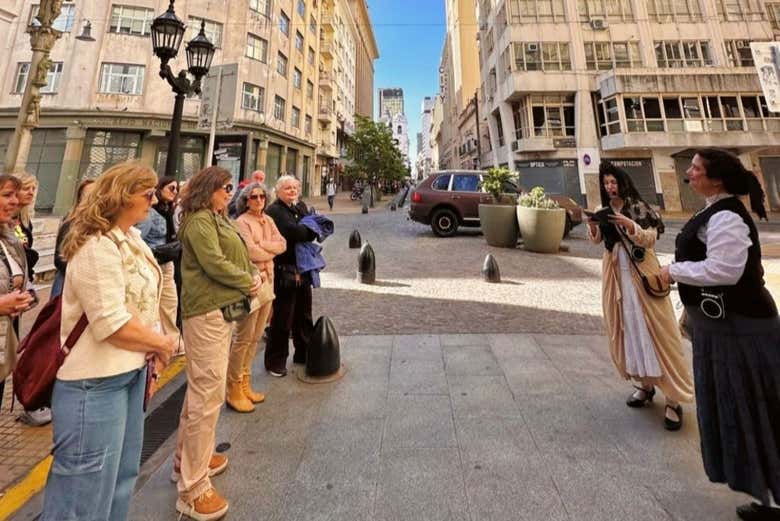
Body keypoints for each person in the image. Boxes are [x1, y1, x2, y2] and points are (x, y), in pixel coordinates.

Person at [40, 162, 178, 521]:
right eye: (146, 194)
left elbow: (143, 305)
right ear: (120, 196)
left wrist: (154, 346)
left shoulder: (130, 238)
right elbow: (110, 323)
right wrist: (162, 345)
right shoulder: (95, 245)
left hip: (129, 374)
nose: (153, 201)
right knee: (84, 493)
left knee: (119, 479)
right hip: (94, 384)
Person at [661, 148, 780, 521]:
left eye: (696, 169)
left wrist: (674, 272)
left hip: (741, 330)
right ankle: (765, 492)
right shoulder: (713, 209)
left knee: (755, 405)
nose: (689, 174)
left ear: (716, 178)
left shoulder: (727, 216)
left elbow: (725, 271)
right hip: (722, 328)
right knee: (741, 407)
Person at [174, 166, 261, 520]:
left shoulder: (215, 216)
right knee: (206, 396)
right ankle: (192, 488)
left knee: (202, 392)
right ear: (207, 189)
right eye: (225, 187)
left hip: (219, 309)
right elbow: (214, 262)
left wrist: (248, 275)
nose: (231, 192)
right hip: (206, 312)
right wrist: (247, 279)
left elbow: (235, 249)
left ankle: (192, 456)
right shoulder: (198, 222)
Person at [588, 161, 693, 430]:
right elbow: (599, 240)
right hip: (617, 276)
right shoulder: (605, 209)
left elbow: (650, 238)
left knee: (659, 331)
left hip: (641, 273)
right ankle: (646, 386)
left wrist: (629, 225)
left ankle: (673, 398)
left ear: (622, 182)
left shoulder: (637, 206)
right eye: (606, 183)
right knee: (631, 330)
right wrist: (592, 226)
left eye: (613, 182)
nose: (609, 187)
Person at [230, 182, 286, 412]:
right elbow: (249, 252)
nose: (259, 200)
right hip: (253, 282)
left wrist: (263, 245)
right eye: (254, 197)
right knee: (244, 336)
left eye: (262, 196)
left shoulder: (268, 220)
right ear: (246, 200)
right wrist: (267, 249)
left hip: (268, 281)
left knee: (255, 336)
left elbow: (282, 245)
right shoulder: (241, 222)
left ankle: (246, 382)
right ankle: (233, 387)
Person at [264, 175, 317, 377]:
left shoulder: (300, 206)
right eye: (287, 188)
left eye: (295, 187)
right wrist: (309, 229)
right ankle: (275, 362)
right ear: (278, 191)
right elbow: (295, 232)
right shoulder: (275, 211)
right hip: (284, 271)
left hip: (301, 268)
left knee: (304, 314)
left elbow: (312, 228)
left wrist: (308, 229)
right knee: (282, 318)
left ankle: (303, 353)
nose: (292, 191)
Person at [0, 174, 34, 411]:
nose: (15, 201)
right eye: (6, 195)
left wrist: (28, 295)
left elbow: (19, 277)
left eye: (15, 194)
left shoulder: (7, 238)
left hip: (4, 343)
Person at [137, 176, 182, 341]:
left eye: (176, 189)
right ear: (159, 189)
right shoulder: (150, 213)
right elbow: (137, 240)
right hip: (154, 263)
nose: (174, 192)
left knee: (170, 303)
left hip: (167, 262)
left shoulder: (169, 209)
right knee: (156, 303)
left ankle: (172, 340)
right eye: (171, 188)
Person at [51, 179, 96, 298]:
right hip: (66, 281)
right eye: (88, 194)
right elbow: (59, 258)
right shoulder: (71, 222)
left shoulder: (104, 224)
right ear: (80, 198)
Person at [12, 173, 38, 282]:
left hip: (23, 278)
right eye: (26, 188)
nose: (31, 192)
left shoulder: (26, 222)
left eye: (33, 189)